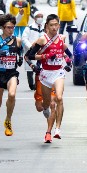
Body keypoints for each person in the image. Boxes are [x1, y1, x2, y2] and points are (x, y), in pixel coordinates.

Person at [24, 14, 73, 143]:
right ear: (47, 26)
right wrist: (45, 56)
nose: (54, 27)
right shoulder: (42, 40)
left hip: (58, 73)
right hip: (45, 74)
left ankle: (57, 129)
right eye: (51, 25)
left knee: (59, 99)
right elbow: (29, 56)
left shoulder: (61, 38)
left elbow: (69, 55)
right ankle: (45, 111)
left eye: (56, 25)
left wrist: (69, 63)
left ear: (59, 25)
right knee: (46, 104)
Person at [21, 11, 44, 90]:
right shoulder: (29, 27)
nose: (40, 18)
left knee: (40, 67)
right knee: (30, 69)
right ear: (34, 18)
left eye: (41, 16)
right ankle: (31, 85)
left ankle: (39, 84)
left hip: (41, 51)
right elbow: (24, 38)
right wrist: (31, 47)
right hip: (31, 50)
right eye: (38, 16)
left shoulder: (45, 27)